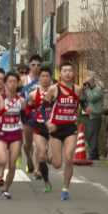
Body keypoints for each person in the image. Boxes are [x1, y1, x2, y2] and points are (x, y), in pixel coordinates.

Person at [45, 62, 82, 201]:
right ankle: (49, 155)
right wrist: (48, 122)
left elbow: (80, 105)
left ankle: (65, 188)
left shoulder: (77, 89)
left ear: (74, 73)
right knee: (57, 164)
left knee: (69, 157)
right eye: (64, 71)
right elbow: (43, 108)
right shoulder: (53, 89)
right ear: (60, 74)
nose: (67, 73)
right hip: (56, 128)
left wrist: (83, 112)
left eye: (70, 71)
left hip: (70, 127)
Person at [0, 72, 26, 199]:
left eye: (14, 82)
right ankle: (0, 175)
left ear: (18, 84)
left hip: (15, 134)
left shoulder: (21, 101)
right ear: (5, 83)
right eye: (9, 81)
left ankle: (6, 189)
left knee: (12, 164)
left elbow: (25, 116)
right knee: (2, 159)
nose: (12, 84)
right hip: (2, 133)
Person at [28, 66, 54, 192]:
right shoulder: (33, 94)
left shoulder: (56, 92)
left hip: (54, 127)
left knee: (51, 158)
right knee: (42, 154)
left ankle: (42, 167)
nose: (44, 79)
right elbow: (28, 109)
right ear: (39, 78)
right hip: (39, 127)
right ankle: (46, 181)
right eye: (42, 76)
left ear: (50, 78)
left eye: (47, 76)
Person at [20, 55, 42, 177]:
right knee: (28, 143)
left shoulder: (44, 78)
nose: (36, 67)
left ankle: (37, 169)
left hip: (41, 114)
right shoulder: (23, 80)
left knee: (39, 143)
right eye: (33, 65)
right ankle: (28, 157)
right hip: (27, 114)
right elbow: (17, 94)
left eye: (38, 65)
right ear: (29, 66)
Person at [81, 74, 104, 161]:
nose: (87, 84)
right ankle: (95, 154)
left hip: (95, 115)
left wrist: (86, 90)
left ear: (92, 81)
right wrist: (83, 90)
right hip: (88, 114)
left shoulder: (98, 89)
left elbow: (92, 98)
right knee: (89, 135)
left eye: (88, 82)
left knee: (92, 135)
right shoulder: (88, 90)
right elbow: (83, 99)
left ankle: (93, 154)